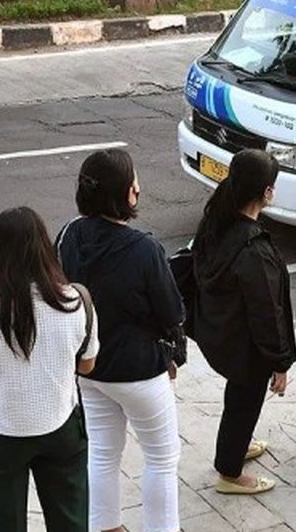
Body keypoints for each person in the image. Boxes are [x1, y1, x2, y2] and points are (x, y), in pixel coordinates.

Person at [55, 148, 184, 532]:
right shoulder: (144, 249)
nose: (139, 188)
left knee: (102, 454)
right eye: (135, 181)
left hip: (88, 368)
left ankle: (105, 527)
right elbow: (172, 312)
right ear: (125, 193)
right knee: (162, 457)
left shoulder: (66, 236)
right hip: (140, 371)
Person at [0, 208, 98, 532]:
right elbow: (87, 365)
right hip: (60, 425)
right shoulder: (77, 301)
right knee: (70, 517)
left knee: (0, 521)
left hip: (0, 431)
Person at [192, 149, 296, 495]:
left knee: (238, 397)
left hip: (222, 332)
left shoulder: (215, 223)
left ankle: (233, 448)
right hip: (247, 344)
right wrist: (280, 362)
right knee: (245, 400)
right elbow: (268, 313)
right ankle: (230, 473)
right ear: (266, 192)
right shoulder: (254, 250)